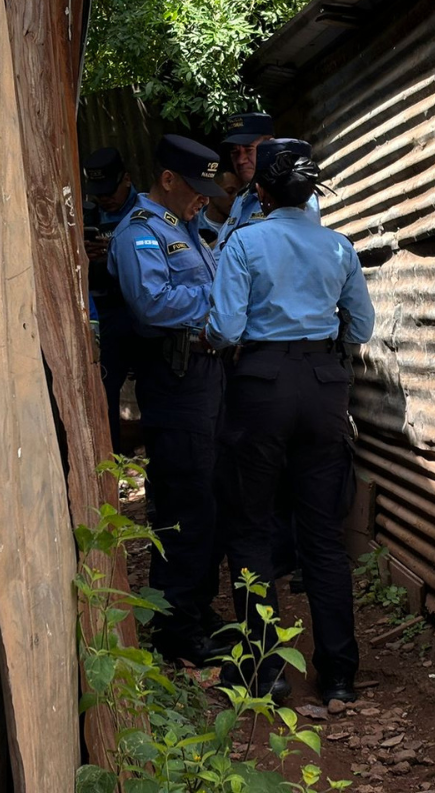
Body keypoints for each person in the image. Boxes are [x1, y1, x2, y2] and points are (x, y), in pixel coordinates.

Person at [205, 141, 375, 704]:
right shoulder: (338, 247)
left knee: (251, 527)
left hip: (261, 387)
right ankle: (341, 676)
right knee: (323, 536)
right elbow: (361, 328)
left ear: (261, 192)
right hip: (325, 389)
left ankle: (268, 671)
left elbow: (227, 329)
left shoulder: (245, 242)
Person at [107, 134, 228, 666]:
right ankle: (176, 628)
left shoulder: (189, 229)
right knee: (183, 503)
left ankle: (196, 609)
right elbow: (152, 305)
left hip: (207, 380)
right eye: (196, 187)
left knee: (208, 502)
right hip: (176, 384)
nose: (205, 197)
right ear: (169, 180)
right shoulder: (141, 234)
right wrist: (219, 301)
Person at [82, 147, 142, 453]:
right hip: (105, 315)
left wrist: (117, 256)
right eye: (97, 192)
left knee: (154, 396)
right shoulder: (87, 215)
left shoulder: (148, 213)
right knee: (104, 399)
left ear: (127, 180)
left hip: (143, 313)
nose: (104, 198)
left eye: (109, 190)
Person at [214, 115, 321, 256]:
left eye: (248, 149)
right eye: (235, 152)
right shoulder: (241, 197)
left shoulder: (294, 192)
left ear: (269, 144)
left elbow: (301, 252)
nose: (240, 160)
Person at [197, 168, 240, 247]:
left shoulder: (241, 226)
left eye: (239, 194)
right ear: (212, 191)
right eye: (230, 191)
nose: (236, 197)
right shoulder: (192, 226)